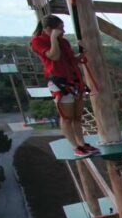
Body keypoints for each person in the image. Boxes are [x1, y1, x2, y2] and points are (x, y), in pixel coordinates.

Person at [30, 15, 98, 158]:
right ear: (49, 29)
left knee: (77, 116)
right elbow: (53, 56)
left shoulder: (64, 42)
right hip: (59, 82)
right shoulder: (38, 41)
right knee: (67, 117)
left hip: (73, 80)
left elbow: (70, 60)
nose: (63, 31)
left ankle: (81, 142)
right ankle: (75, 146)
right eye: (60, 29)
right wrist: (53, 38)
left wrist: (80, 55)